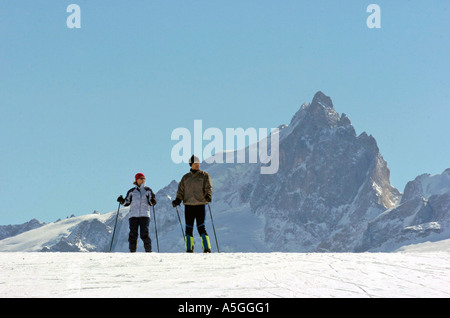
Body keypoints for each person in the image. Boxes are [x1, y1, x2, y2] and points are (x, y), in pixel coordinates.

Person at [172, 155, 213, 253]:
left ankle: (207, 248)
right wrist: (178, 200)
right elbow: (180, 191)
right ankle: (189, 249)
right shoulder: (185, 178)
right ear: (191, 165)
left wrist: (208, 195)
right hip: (189, 205)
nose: (197, 165)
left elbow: (208, 187)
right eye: (195, 163)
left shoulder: (204, 175)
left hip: (200, 204)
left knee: (201, 227)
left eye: (198, 163)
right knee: (188, 227)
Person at [117, 173, 157, 253]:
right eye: (141, 178)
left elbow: (150, 202)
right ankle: (132, 251)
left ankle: (148, 251)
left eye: (144, 178)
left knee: (144, 233)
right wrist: (122, 201)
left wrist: (153, 201)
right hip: (133, 216)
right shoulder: (131, 192)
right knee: (133, 234)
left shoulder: (148, 190)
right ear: (137, 180)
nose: (143, 180)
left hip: (144, 215)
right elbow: (127, 203)